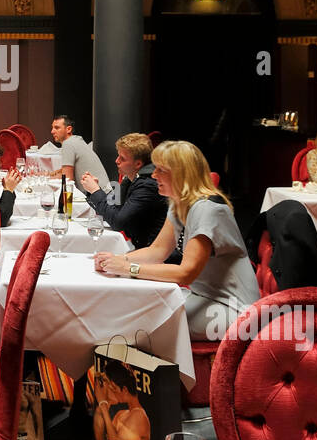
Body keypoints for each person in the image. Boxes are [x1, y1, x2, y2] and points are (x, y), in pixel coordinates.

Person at [92, 140, 258, 340]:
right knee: (136, 309)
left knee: (143, 322)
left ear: (181, 174)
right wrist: (118, 260)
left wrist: (128, 269)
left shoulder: (207, 209)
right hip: (204, 298)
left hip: (234, 310)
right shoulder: (179, 203)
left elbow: (185, 273)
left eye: (160, 170)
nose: (153, 175)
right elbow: (157, 252)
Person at [80, 132, 168, 248]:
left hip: (152, 252)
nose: (117, 161)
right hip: (140, 246)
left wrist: (96, 191)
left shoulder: (147, 185)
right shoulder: (130, 179)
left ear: (138, 163)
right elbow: (111, 206)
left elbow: (118, 222)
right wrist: (94, 190)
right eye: (118, 156)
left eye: (122, 158)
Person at [91, 359, 150, 440]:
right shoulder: (121, 414)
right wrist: (104, 402)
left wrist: (102, 404)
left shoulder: (139, 416)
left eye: (113, 389)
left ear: (124, 390)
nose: (110, 391)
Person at [50, 114, 109, 188]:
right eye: (52, 128)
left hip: (98, 195)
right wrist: (46, 175)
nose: (52, 131)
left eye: (57, 128)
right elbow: (64, 171)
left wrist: (46, 180)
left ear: (68, 129)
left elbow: (67, 180)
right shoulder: (75, 141)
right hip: (105, 192)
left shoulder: (68, 143)